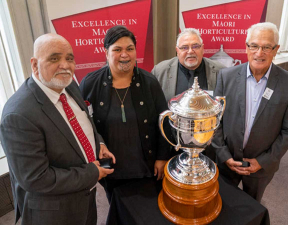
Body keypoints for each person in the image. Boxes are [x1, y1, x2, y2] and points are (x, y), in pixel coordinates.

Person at [0, 33, 115, 225]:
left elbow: (85, 121)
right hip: (54, 213)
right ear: (35, 64)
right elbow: (36, 178)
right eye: (54, 58)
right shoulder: (18, 115)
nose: (65, 65)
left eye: (69, 58)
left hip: (85, 199)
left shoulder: (68, 85)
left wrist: (99, 142)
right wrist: (91, 173)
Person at [79, 26, 170, 202]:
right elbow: (83, 124)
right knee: (117, 209)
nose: (125, 54)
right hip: (111, 169)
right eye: (117, 49)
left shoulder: (149, 82)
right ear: (106, 52)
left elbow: (163, 122)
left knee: (147, 210)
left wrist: (162, 157)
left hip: (146, 166)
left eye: (130, 49)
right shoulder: (90, 83)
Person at [211, 22, 288, 202]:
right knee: (222, 203)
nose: (259, 53)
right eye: (254, 46)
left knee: (252, 206)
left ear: (276, 49)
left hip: (262, 167)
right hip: (227, 162)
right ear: (246, 47)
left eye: (267, 47)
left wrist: (263, 161)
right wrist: (224, 156)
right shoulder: (225, 76)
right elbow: (215, 121)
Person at [151, 28, 225, 103]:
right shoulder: (160, 72)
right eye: (184, 47)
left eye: (195, 46)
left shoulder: (220, 71)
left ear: (202, 49)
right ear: (177, 51)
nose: (190, 51)